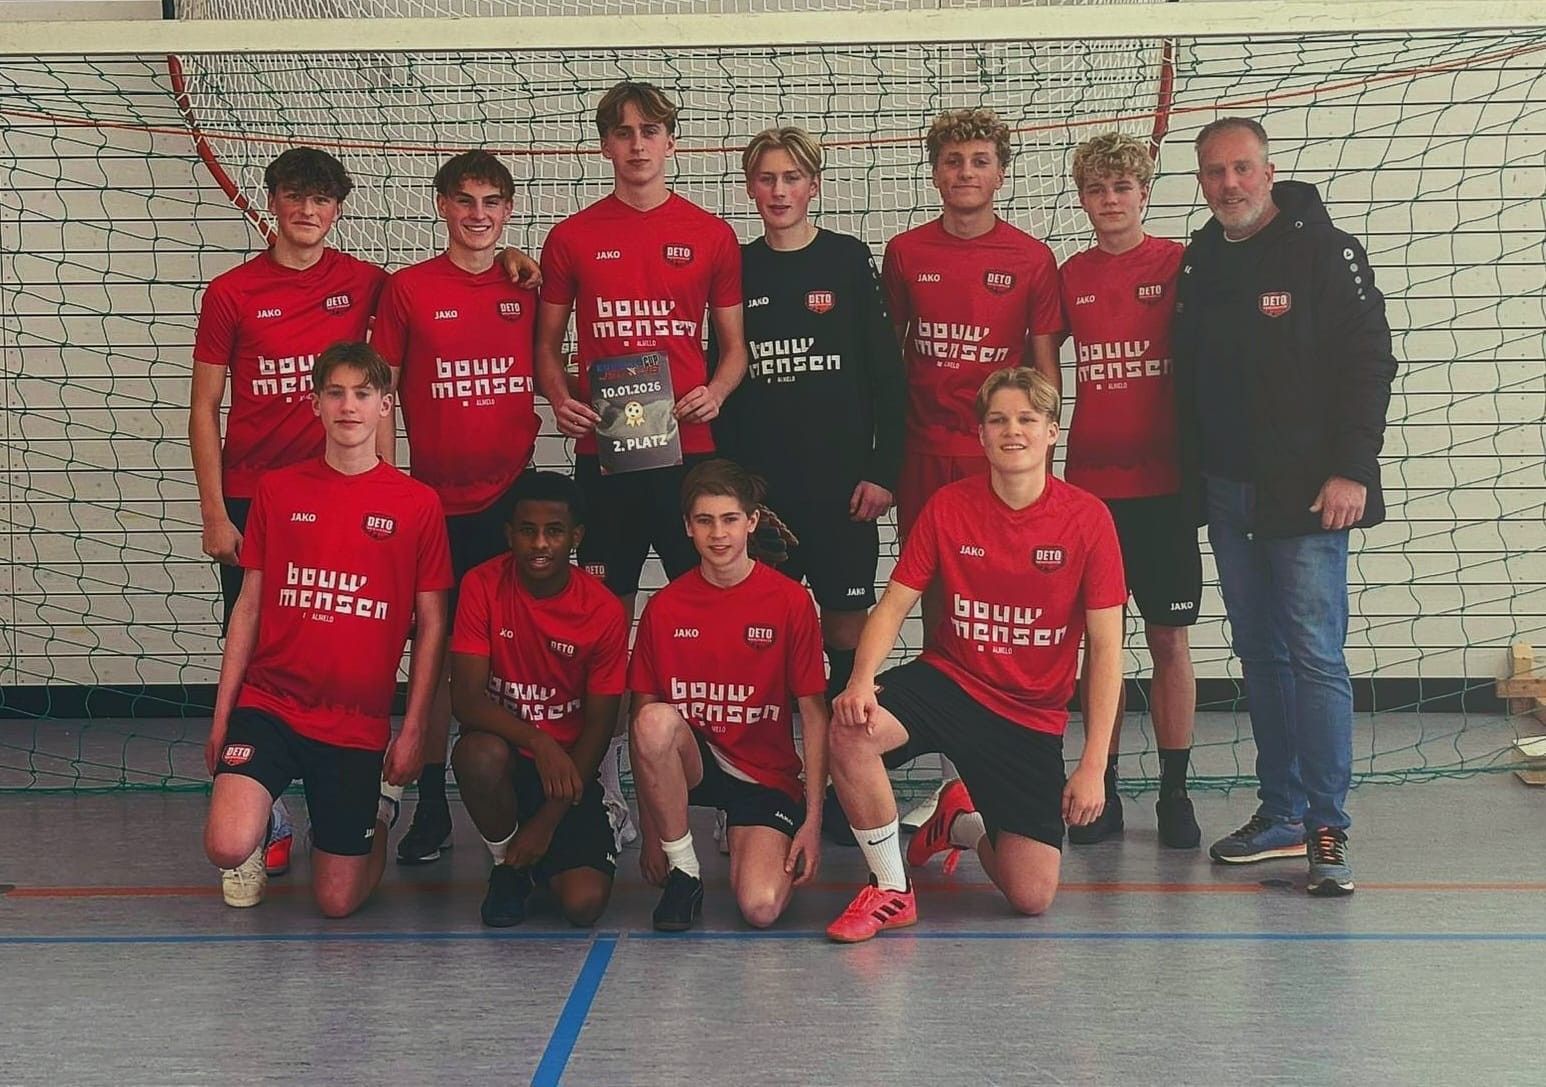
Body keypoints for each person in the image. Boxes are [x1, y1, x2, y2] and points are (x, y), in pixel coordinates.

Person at [825, 368, 1126, 943]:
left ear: (1052, 432)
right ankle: (891, 887)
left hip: (1029, 715)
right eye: (998, 420)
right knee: (850, 729)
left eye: (1027, 419)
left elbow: (1108, 649)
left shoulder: (1088, 519)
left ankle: (959, 823)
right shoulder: (948, 506)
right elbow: (893, 605)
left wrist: (1093, 766)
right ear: (981, 435)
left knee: (1031, 896)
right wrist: (861, 679)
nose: (1013, 431)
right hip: (952, 682)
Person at [1174, 117, 1396, 897]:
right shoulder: (1201, 260)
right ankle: (1283, 812)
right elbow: (1191, 378)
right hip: (1228, 492)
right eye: (1214, 172)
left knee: (1314, 655)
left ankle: (1327, 824)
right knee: (1259, 654)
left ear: (1269, 173)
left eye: (1242, 168)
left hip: (1308, 494)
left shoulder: (1325, 252)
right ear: (1202, 182)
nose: (1228, 183)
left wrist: (1352, 470)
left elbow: (1370, 363)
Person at [535, 79, 747, 843]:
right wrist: (560, 398)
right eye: (622, 132)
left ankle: (727, 789)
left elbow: (733, 350)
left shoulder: (710, 235)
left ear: (670, 141)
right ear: (605, 145)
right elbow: (546, 346)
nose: (636, 144)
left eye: (649, 130)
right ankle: (605, 784)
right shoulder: (572, 236)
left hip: (689, 458)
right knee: (602, 623)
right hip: (608, 458)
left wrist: (717, 390)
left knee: (713, 619)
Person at [190, 147, 387, 890]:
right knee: (252, 645)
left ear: (337, 209)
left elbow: (444, 283)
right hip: (253, 499)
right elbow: (204, 405)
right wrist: (215, 510)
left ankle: (355, 801)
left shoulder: (365, 283)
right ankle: (263, 810)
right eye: (295, 196)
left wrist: (516, 262)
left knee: (339, 636)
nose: (308, 211)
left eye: (322, 199)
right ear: (270, 201)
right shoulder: (231, 292)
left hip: (340, 498)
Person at [201, 342, 452, 915]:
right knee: (226, 844)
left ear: (385, 406)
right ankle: (267, 827)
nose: (348, 406)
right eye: (335, 393)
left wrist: (413, 728)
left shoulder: (417, 504)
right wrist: (221, 715)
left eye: (362, 394)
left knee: (338, 902)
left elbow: (433, 624)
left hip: (354, 723)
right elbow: (249, 607)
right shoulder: (277, 490)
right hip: (272, 704)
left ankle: (377, 812)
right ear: (315, 404)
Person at [713, 126, 905, 845]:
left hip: (844, 492)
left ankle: (847, 781)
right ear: (750, 188)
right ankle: (765, 784)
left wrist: (884, 471)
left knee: (846, 633)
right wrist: (737, 494)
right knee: (762, 641)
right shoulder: (736, 267)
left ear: (814, 185)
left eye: (791, 177)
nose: (779, 191)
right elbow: (723, 379)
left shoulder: (847, 259)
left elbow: (886, 374)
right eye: (766, 178)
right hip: (766, 501)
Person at [882, 108, 1063, 826]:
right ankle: (948, 767)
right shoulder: (904, 252)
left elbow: (1044, 374)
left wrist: (1048, 467)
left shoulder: (1031, 258)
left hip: (999, 460)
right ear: (935, 172)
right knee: (937, 605)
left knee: (998, 605)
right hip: (923, 454)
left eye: (979, 160)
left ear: (1001, 173)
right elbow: (887, 362)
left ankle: (991, 766)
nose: (965, 172)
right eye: (953, 160)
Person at [372, 150, 541, 866]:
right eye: (465, 200)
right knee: (435, 656)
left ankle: (533, 795)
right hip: (434, 505)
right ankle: (431, 805)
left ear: (508, 210)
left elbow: (557, 362)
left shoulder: (527, 285)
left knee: (514, 651)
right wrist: (385, 489)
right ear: (442, 205)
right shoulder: (409, 289)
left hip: (513, 498)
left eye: (492, 201)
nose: (478, 214)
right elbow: (381, 392)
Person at [1058, 132, 1201, 849]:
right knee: (1100, 640)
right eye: (1096, 189)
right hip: (1092, 491)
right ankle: (1102, 787)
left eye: (1122, 188)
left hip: (1167, 487)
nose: (1110, 200)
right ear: (1082, 200)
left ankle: (1175, 792)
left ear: (1144, 193)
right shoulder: (1070, 275)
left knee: (1169, 637)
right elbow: (1033, 365)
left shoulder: (1180, 263)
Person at [627, 459, 828, 931]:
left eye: (729, 519)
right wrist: (652, 833)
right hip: (695, 762)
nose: (718, 534)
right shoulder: (664, 607)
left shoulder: (790, 601)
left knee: (761, 908)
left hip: (763, 775)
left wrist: (812, 822)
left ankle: (747, 838)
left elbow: (814, 715)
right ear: (687, 527)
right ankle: (685, 872)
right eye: (704, 521)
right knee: (653, 721)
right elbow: (641, 725)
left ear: (751, 522)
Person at [447, 471, 628, 927]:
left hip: (568, 770)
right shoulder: (481, 585)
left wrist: (547, 823)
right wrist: (539, 741)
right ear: (509, 534)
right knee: (475, 754)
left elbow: (600, 726)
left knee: (584, 906)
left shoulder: (603, 610)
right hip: (510, 756)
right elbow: (466, 701)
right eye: (527, 531)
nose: (540, 544)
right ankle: (507, 867)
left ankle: (547, 849)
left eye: (554, 531)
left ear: (576, 537)